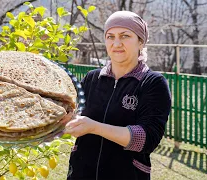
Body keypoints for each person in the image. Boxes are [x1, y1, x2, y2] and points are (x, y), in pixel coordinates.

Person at [64, 11, 171, 180]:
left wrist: (93, 127)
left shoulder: (152, 83)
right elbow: (69, 114)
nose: (116, 43)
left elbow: (147, 138)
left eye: (125, 36)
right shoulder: (92, 78)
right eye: (110, 36)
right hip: (81, 172)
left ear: (141, 42)